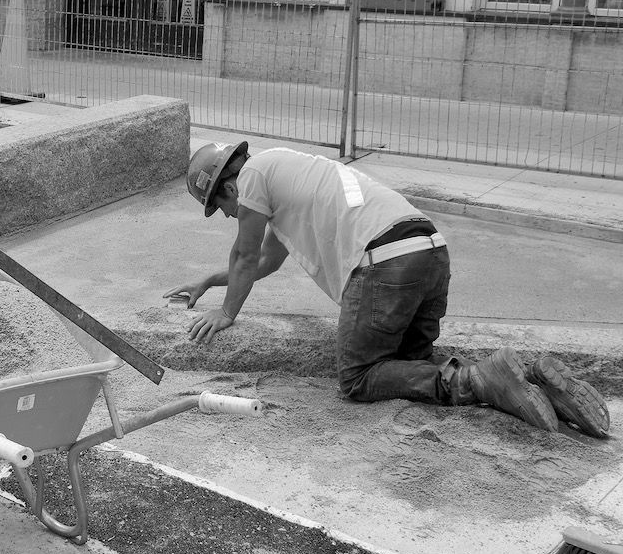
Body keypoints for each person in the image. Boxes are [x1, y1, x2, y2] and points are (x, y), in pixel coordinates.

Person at [165, 140, 609, 438]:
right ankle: (530, 375)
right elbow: (262, 262)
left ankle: (476, 379)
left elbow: (244, 255)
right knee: (408, 366)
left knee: (358, 377)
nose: (227, 215)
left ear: (227, 184)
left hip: (386, 262)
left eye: (219, 206)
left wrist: (226, 313)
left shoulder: (254, 178)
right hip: (430, 251)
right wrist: (208, 280)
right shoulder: (287, 172)